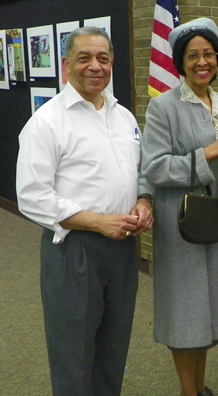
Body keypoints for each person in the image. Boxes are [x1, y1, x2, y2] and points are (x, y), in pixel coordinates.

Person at [16, 26, 154, 396]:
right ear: (66, 65)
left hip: (123, 248)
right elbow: (31, 195)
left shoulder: (122, 116)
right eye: (84, 58)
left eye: (103, 58)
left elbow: (136, 171)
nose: (95, 66)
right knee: (74, 355)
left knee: (113, 349)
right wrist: (97, 222)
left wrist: (142, 201)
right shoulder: (46, 122)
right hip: (74, 250)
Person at [140, 18, 218, 396]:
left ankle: (200, 386)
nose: (202, 61)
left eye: (208, 54)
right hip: (182, 226)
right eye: (193, 55)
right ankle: (188, 392)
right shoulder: (164, 108)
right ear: (180, 62)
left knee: (206, 314)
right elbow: (155, 169)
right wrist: (208, 153)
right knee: (185, 314)